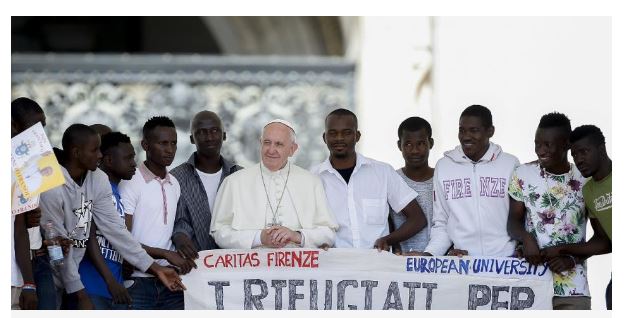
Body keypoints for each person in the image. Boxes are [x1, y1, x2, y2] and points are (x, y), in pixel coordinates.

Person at [39, 124, 185, 310]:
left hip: (74, 276)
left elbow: (115, 230)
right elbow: (57, 248)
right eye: (94, 150)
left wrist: (155, 268)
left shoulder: (98, 179)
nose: (100, 155)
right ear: (76, 152)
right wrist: (81, 293)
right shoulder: (51, 187)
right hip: (50, 274)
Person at [211, 119, 338, 249]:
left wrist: (296, 236)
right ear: (260, 144)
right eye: (267, 143)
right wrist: (258, 238)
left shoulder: (311, 182)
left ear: (292, 149)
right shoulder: (234, 182)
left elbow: (328, 233)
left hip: (298, 268)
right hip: (252, 268)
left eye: (279, 144)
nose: (271, 150)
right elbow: (219, 232)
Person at [311, 109, 426, 250]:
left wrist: (387, 240)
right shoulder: (312, 178)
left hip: (377, 266)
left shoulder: (382, 172)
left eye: (346, 132)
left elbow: (417, 219)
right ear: (324, 137)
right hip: (334, 266)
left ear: (357, 136)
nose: (339, 138)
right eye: (333, 133)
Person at [507, 112, 590, 309]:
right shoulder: (523, 174)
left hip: (573, 287)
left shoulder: (585, 178)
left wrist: (572, 258)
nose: (540, 150)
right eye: (537, 143)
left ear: (566, 145)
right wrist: (526, 239)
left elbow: (602, 239)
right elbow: (513, 222)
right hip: (529, 284)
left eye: (548, 145)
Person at [421, 105, 519, 257]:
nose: (466, 136)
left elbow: (522, 217)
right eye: (462, 130)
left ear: (490, 131)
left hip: (505, 261)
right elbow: (441, 222)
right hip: (464, 262)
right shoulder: (444, 166)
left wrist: (521, 248)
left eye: (474, 130)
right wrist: (432, 254)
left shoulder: (510, 164)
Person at [119, 116, 194, 310]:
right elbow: (123, 239)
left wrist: (177, 255)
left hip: (171, 280)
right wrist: (166, 254)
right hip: (138, 281)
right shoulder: (130, 182)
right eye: (162, 143)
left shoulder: (175, 184)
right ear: (145, 145)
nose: (170, 149)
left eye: (173, 143)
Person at [541, 125, 612, 309]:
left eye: (584, 152)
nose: (579, 159)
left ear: (601, 149)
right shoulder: (588, 191)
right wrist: (563, 251)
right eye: (574, 155)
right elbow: (604, 241)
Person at [171, 111, 242, 260]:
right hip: (195, 267)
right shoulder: (176, 177)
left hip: (236, 265)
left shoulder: (240, 176)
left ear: (224, 135)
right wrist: (180, 237)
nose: (209, 137)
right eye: (201, 132)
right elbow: (179, 220)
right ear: (192, 138)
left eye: (215, 131)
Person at [77, 132, 137, 309]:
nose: (134, 163)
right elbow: (87, 236)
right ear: (109, 160)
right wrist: (110, 281)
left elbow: (118, 240)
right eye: (128, 158)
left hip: (114, 290)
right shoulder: (91, 189)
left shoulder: (116, 194)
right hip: (92, 287)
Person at [11, 97, 47, 310]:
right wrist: (30, 284)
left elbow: (24, 225)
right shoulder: (21, 166)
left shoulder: (29, 165)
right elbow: (20, 229)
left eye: (43, 127)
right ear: (13, 126)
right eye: (36, 127)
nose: (40, 134)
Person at [392, 116, 435, 253]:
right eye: (408, 144)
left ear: (431, 143)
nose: (415, 150)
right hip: (403, 263)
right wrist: (396, 250)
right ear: (399, 146)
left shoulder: (443, 178)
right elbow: (386, 222)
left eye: (421, 144)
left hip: (440, 261)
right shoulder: (392, 180)